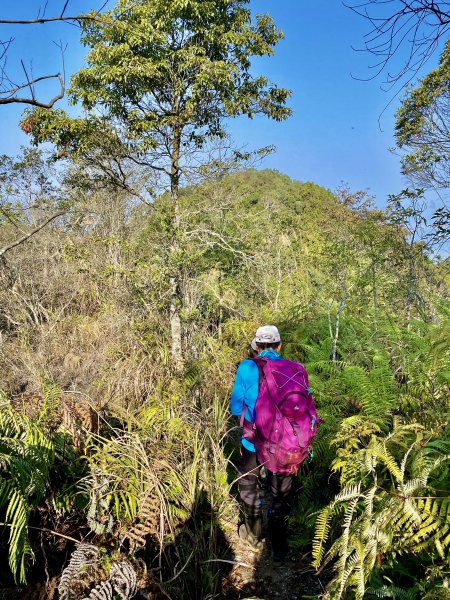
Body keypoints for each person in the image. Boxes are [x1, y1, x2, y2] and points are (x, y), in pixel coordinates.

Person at [230, 325, 294, 564]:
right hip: (285, 445)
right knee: (280, 494)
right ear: (280, 346)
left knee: (249, 483)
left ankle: (255, 536)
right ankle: (278, 548)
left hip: (253, 441)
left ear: (256, 346)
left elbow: (235, 407)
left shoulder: (247, 367)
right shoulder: (294, 368)